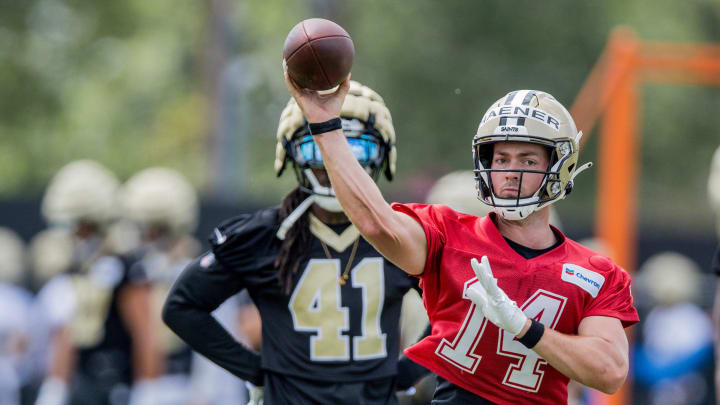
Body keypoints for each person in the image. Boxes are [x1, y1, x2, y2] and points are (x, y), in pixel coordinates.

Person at [285, 79, 639, 404]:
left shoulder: (596, 272)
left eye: (528, 160)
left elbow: (609, 372)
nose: (510, 172)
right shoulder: (447, 234)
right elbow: (376, 223)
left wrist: (523, 327)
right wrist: (325, 127)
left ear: (559, 166)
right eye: (501, 159)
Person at [163, 80, 423, 405]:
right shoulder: (265, 236)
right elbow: (181, 307)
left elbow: (459, 307)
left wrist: (411, 368)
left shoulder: (401, 233)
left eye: (357, 149)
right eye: (316, 148)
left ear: (382, 155)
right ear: (290, 152)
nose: (334, 165)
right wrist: (256, 370)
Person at [32, 160, 161, 405]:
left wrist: (148, 390)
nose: (73, 233)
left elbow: (146, 333)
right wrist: (55, 387)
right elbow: (68, 332)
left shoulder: (127, 267)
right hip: (85, 386)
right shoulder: (78, 266)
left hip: (120, 385)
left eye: (80, 225)